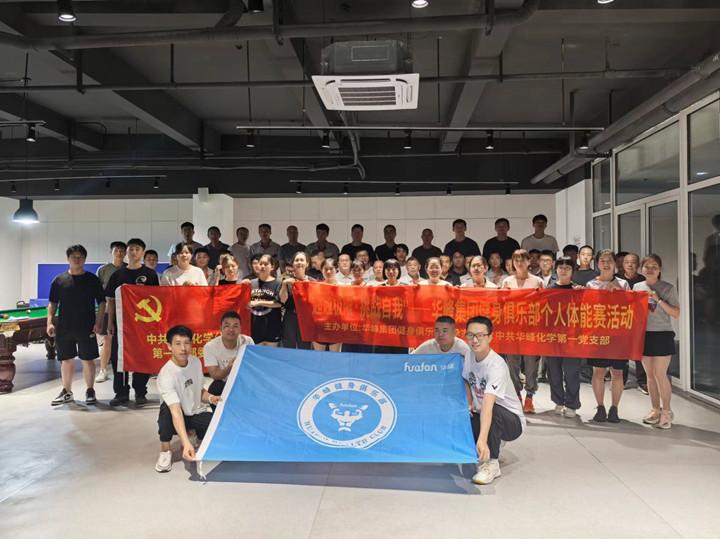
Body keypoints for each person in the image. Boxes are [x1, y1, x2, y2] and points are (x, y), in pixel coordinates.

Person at [464, 316, 525, 485]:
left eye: (480, 336)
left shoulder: (497, 365)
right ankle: (491, 444)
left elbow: (489, 404)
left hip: (510, 421)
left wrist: (482, 440)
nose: (474, 340)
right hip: (482, 411)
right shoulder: (469, 355)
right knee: (464, 415)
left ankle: (491, 464)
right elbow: (466, 380)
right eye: (470, 335)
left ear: (490, 337)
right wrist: (469, 403)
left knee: (492, 410)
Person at [155, 325, 220, 473]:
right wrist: (185, 443)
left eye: (187, 343)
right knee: (166, 410)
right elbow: (176, 411)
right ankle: (165, 450)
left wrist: (211, 398)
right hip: (176, 415)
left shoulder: (195, 362)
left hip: (194, 413)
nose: (183, 348)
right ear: (169, 346)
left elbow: (199, 390)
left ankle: (192, 432)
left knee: (215, 422)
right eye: (178, 344)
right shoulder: (166, 374)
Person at [48, 245, 106, 407]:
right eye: (74, 257)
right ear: (68, 259)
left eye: (80, 257)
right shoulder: (59, 281)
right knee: (66, 360)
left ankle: (90, 390)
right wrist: (49, 322)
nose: (77, 259)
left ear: (85, 259)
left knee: (87, 359)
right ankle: (67, 391)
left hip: (87, 326)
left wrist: (99, 322)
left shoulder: (92, 280)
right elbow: (52, 303)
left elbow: (102, 302)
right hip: (64, 326)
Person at [105, 238, 159, 407]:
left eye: (137, 249)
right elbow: (110, 300)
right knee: (118, 358)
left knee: (142, 357)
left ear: (142, 252)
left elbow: (158, 299)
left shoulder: (150, 274)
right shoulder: (117, 275)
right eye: (131, 249)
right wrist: (110, 322)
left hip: (143, 325)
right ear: (127, 252)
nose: (134, 252)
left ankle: (140, 391)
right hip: (121, 324)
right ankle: (121, 393)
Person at [634, 255, 680, 429]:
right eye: (647, 266)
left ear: (660, 269)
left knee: (661, 374)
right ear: (641, 269)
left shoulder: (668, 288)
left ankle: (667, 411)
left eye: (654, 266)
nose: (650, 269)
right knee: (650, 375)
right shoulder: (637, 287)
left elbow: (676, 313)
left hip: (662, 334)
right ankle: (655, 409)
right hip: (644, 335)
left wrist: (658, 299)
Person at [585, 249, 630, 423]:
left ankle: (614, 408)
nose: (606, 264)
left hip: (619, 336)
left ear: (614, 263)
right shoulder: (591, 284)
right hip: (598, 334)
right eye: (602, 261)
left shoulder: (623, 284)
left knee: (617, 372)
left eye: (609, 260)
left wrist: (620, 293)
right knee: (598, 372)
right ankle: (600, 407)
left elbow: (632, 307)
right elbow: (586, 310)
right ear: (597, 264)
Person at [502, 249, 544, 413]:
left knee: (531, 364)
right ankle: (517, 395)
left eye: (522, 260)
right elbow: (500, 305)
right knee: (512, 364)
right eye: (516, 260)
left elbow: (545, 304)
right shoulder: (507, 281)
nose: (519, 263)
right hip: (512, 329)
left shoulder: (537, 281)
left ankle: (530, 397)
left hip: (531, 329)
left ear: (528, 262)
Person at [544, 257, 582, 417]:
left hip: (572, 338)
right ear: (556, 269)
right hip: (552, 338)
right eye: (561, 267)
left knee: (572, 372)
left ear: (573, 271)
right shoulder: (549, 290)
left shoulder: (578, 290)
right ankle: (558, 401)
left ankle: (572, 404)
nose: (564, 270)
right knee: (553, 372)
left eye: (567, 268)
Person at [95, 240, 126, 383]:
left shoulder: (128, 268)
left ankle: (128, 368)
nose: (119, 253)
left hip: (126, 311)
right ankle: (103, 370)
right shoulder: (103, 270)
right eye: (116, 250)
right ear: (111, 252)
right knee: (107, 339)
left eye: (122, 250)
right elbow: (98, 291)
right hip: (108, 310)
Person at [617, 253, 648, 392]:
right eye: (627, 262)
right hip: (621, 320)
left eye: (633, 262)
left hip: (638, 321)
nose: (630, 265)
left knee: (639, 351)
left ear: (638, 265)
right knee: (622, 352)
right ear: (623, 265)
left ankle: (642, 381)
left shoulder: (643, 280)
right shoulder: (616, 280)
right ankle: (621, 380)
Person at [204, 312, 254, 398]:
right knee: (215, 387)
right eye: (227, 326)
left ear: (240, 328)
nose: (231, 330)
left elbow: (253, 366)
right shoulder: (210, 347)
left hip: (244, 381)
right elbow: (215, 375)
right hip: (225, 383)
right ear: (221, 328)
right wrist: (229, 367)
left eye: (235, 326)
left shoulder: (247, 341)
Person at [279, 251, 313, 349]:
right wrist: (284, 285)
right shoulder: (287, 281)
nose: (299, 262)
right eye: (296, 260)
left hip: (306, 318)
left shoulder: (312, 282)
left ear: (307, 264)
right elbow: (282, 300)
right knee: (288, 347)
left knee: (305, 348)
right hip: (290, 317)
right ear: (293, 264)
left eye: (302, 260)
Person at [249, 254, 283, 346]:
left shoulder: (278, 283)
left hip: (272, 326)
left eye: (266, 264)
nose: (262, 266)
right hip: (255, 327)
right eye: (260, 264)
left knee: (271, 354)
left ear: (272, 267)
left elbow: (279, 303)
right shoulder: (251, 283)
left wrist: (259, 302)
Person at [312, 258, 343, 352]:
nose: (328, 271)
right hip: (319, 327)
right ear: (321, 270)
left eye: (331, 268)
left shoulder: (343, 287)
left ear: (336, 269)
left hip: (336, 327)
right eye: (325, 269)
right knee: (319, 357)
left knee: (334, 357)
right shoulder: (315, 287)